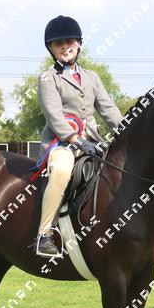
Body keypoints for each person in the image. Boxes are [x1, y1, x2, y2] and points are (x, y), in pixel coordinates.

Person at [35, 15, 123, 257]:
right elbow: (54, 117)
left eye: (69, 41)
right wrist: (78, 141)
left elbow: (108, 110)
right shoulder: (48, 78)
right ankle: (45, 234)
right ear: (51, 48)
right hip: (62, 144)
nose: (65, 47)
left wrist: (127, 131)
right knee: (62, 169)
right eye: (58, 43)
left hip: (94, 141)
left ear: (79, 44)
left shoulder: (92, 77)